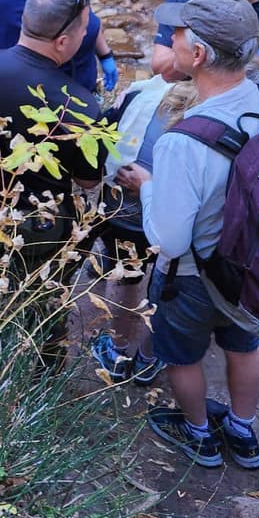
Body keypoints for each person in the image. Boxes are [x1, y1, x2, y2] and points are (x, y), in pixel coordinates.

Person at [116, 0, 259, 470]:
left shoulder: (184, 140)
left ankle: (199, 434)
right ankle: (243, 433)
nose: (171, 41)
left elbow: (171, 240)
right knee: (245, 345)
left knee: (181, 356)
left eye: (177, 35)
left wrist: (149, 185)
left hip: (194, 277)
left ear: (197, 55)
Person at [0, 0, 107, 278]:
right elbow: (88, 182)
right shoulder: (79, 106)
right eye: (84, 30)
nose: (86, 35)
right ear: (63, 42)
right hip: (32, 226)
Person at [85, 78, 198, 386]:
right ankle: (149, 357)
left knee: (125, 276)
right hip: (178, 222)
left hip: (125, 215)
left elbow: (96, 141)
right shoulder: (214, 116)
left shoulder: (140, 94)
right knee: (169, 285)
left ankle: (118, 353)